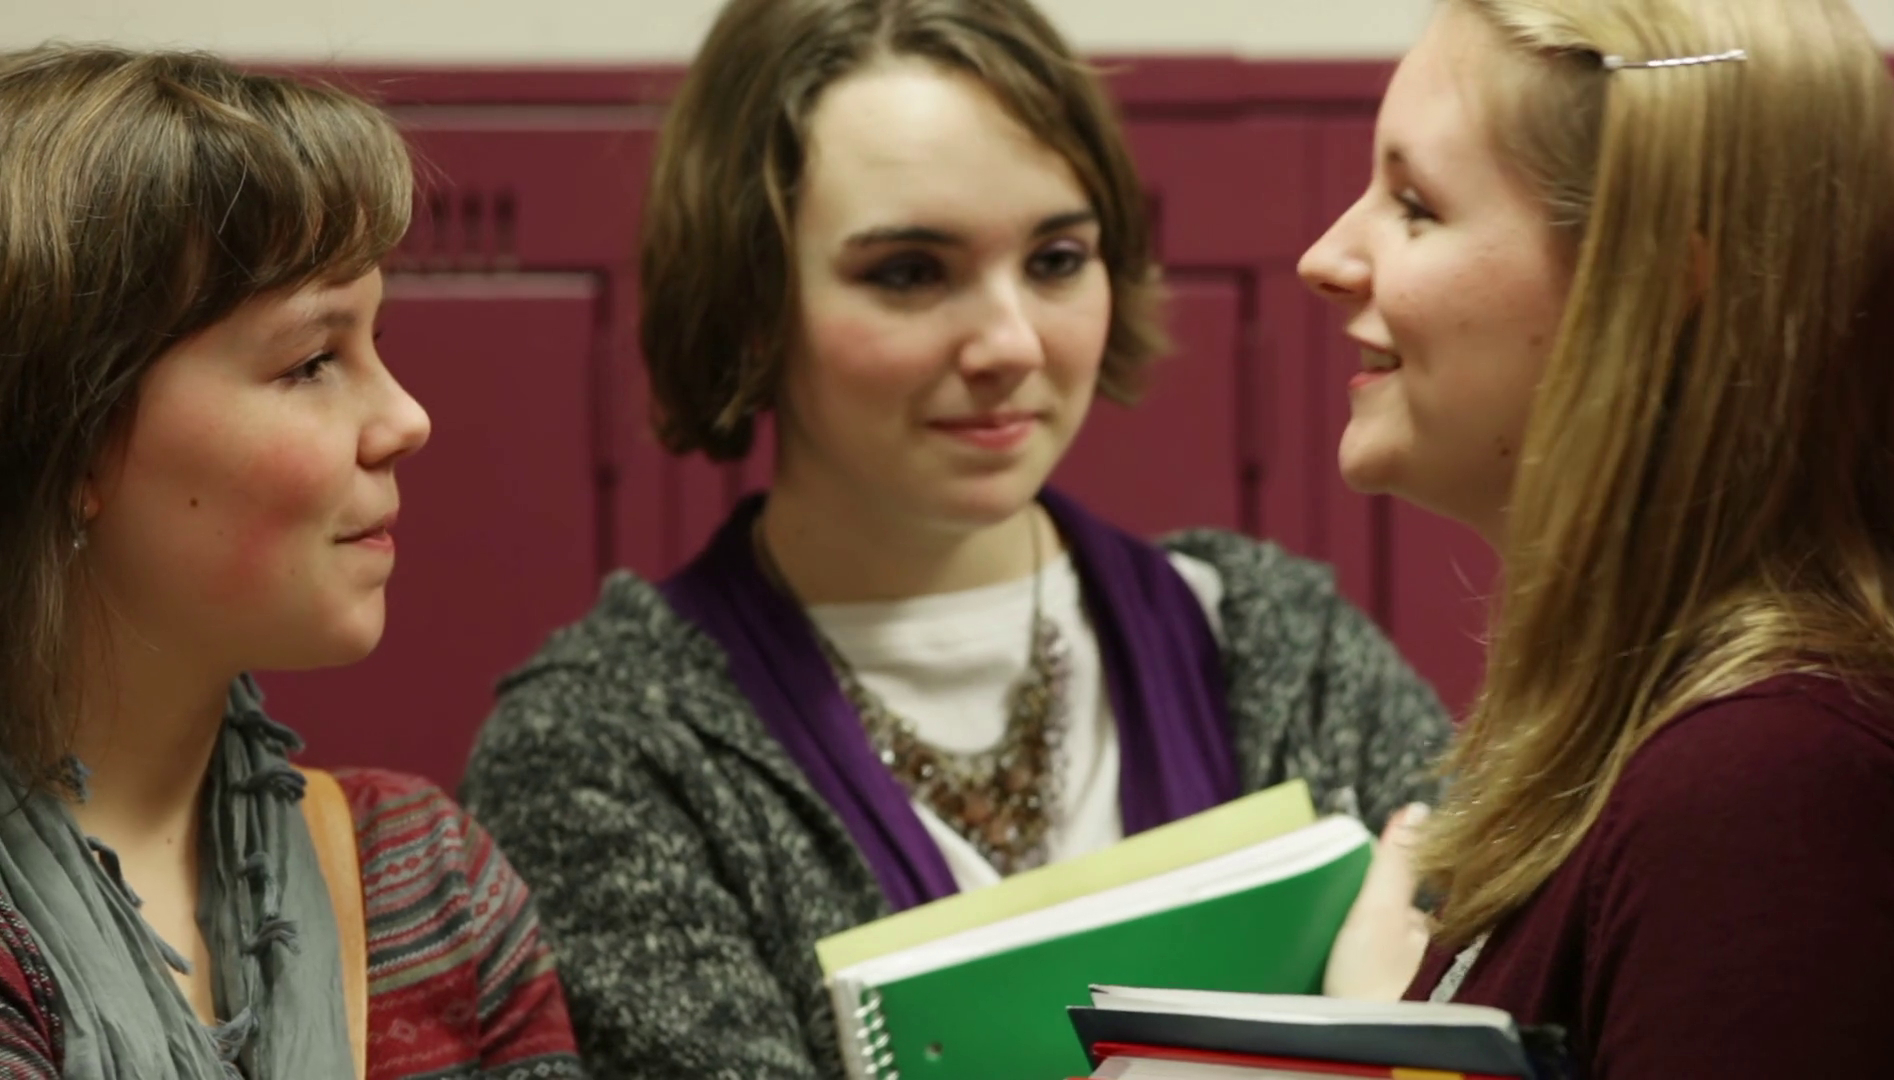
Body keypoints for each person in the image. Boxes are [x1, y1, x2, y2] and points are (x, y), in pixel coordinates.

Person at [459, 0, 1453, 1075]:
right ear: (750, 302)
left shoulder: (1275, 651)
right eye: (909, 272)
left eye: (1056, 258)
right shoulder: (603, 756)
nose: (1009, 343)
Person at [1299, 0, 1894, 1075]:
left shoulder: (1768, 790)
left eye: (1415, 206)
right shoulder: (1646, 732)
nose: (1326, 257)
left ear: (1655, 288)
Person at [0, 46, 582, 1078]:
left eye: (376, 343)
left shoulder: (427, 884)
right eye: (313, 361)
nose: (406, 419)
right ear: (72, 437)